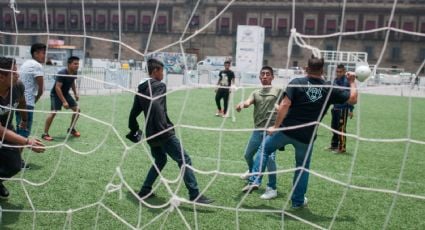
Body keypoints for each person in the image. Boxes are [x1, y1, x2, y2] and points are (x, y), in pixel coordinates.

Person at [242, 56, 357, 209]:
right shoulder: (329, 87)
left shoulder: (297, 82)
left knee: (264, 149)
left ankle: (255, 180)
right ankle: (297, 201)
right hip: (306, 137)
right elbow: (353, 99)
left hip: (286, 131)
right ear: (322, 71)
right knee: (302, 168)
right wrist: (352, 81)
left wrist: (275, 127)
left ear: (306, 69)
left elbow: (284, 104)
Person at [126, 59, 214, 204]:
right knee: (185, 160)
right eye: (162, 71)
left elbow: (133, 113)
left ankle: (145, 190)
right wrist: (165, 127)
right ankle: (194, 194)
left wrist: (134, 130)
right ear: (155, 71)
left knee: (160, 160)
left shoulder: (141, 89)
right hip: (162, 132)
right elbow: (156, 105)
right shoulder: (159, 86)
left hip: (150, 134)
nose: (163, 74)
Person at [0, 57, 45, 198]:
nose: (18, 74)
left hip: (7, 127)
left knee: (15, 164)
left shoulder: (18, 85)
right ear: (1, 77)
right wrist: (26, 141)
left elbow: (22, 102)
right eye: (14, 72)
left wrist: (24, 119)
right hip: (2, 129)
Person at [236, 66, 283, 200]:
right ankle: (252, 173)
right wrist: (241, 105)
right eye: (262, 74)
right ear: (259, 77)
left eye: (268, 74)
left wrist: (280, 110)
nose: (265, 76)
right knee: (248, 155)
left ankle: (272, 187)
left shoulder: (278, 91)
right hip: (257, 130)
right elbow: (248, 102)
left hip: (271, 132)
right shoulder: (256, 92)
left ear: (272, 77)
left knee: (269, 159)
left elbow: (286, 106)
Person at [42, 56, 81, 141]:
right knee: (53, 112)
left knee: (77, 110)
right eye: (75, 64)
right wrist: (64, 101)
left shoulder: (75, 72)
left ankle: (71, 129)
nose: (77, 65)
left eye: (78, 63)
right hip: (55, 94)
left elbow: (72, 82)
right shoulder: (62, 72)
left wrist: (75, 93)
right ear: (69, 64)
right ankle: (45, 134)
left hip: (65, 93)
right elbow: (57, 88)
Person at [16, 43, 46, 140]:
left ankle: (16, 154)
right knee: (24, 134)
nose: (45, 56)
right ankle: (17, 155)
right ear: (35, 54)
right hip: (27, 103)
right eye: (43, 53)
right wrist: (34, 100)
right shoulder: (37, 66)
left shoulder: (25, 63)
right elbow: (41, 90)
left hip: (18, 102)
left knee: (19, 131)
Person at [327, 64, 354, 153]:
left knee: (341, 128)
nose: (338, 73)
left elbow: (351, 96)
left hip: (343, 109)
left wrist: (351, 109)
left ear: (344, 72)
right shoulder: (335, 80)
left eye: (340, 72)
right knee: (334, 127)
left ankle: (342, 147)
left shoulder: (347, 82)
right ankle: (334, 145)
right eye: (337, 72)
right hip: (335, 108)